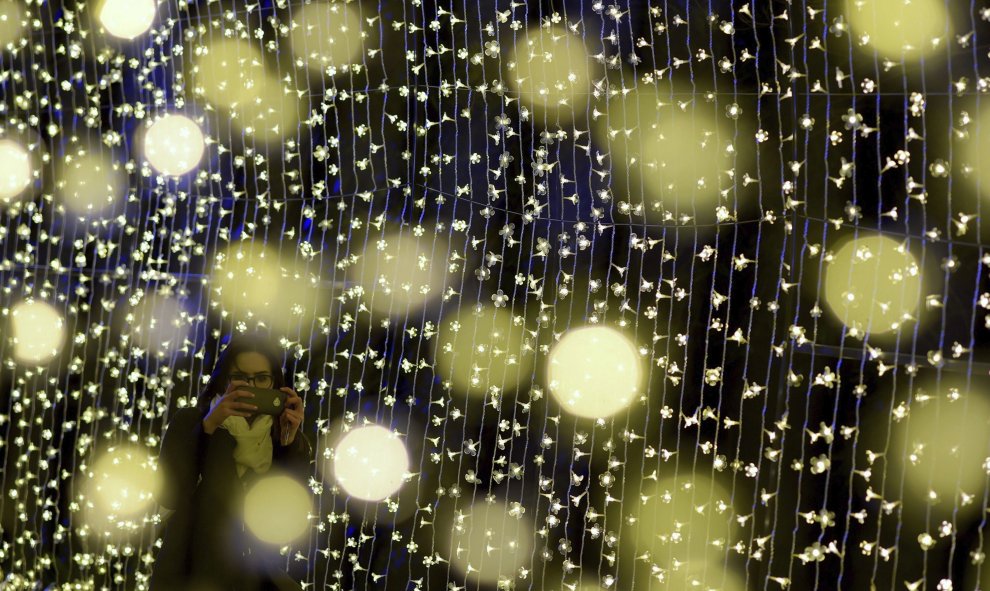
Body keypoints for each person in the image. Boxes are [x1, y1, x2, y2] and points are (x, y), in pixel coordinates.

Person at [149, 332, 312, 591]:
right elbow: (170, 496)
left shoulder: (282, 438)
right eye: (239, 378)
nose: (251, 387)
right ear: (223, 381)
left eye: (261, 378)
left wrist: (288, 443)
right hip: (190, 569)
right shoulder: (191, 421)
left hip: (252, 571)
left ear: (275, 384)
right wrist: (209, 426)